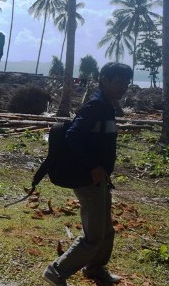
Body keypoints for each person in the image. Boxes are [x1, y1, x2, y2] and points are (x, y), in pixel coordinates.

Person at [43, 62, 133, 286]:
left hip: (100, 178)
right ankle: (56, 271)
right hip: (88, 179)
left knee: (106, 231)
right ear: (104, 80)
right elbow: (73, 136)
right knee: (93, 236)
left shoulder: (107, 105)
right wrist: (93, 167)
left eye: (127, 82)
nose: (124, 86)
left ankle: (94, 269)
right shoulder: (95, 105)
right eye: (119, 81)